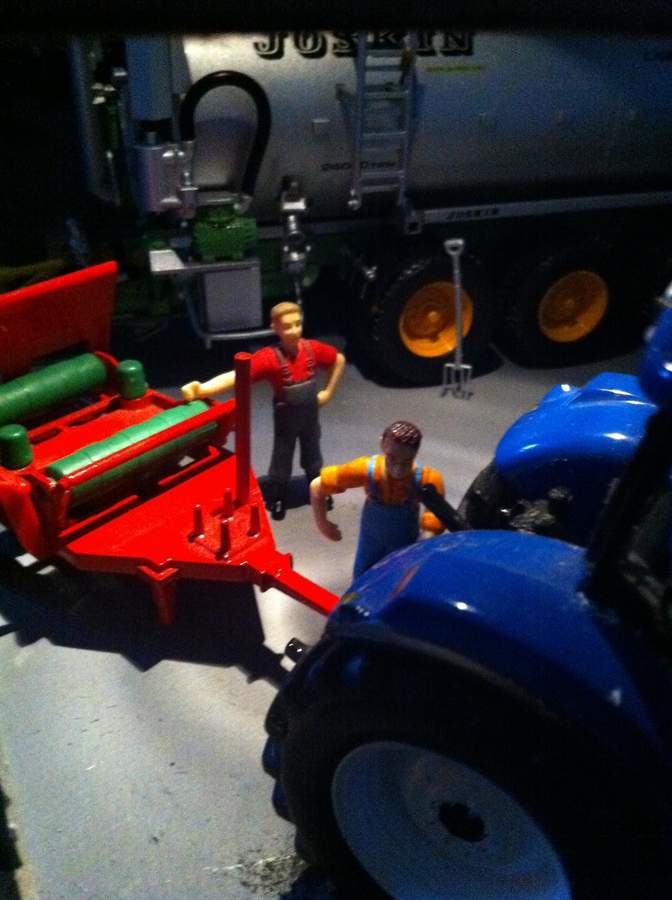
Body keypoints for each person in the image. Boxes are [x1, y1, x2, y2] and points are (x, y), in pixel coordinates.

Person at [182, 301, 345, 520]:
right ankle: (279, 497)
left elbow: (338, 360)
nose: (294, 330)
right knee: (281, 460)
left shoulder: (312, 349)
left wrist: (328, 392)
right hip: (286, 421)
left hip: (310, 418)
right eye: (287, 326)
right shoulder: (269, 358)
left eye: (297, 324)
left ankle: (319, 493)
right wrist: (202, 389)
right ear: (275, 328)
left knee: (313, 458)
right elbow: (237, 375)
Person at [310, 421, 446, 578]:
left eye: (406, 463)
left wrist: (424, 541)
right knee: (362, 576)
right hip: (370, 542)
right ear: (382, 444)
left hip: (404, 544)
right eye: (391, 459)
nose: (398, 470)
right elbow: (317, 486)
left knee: (398, 579)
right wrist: (322, 524)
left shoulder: (427, 479)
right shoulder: (365, 470)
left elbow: (437, 515)